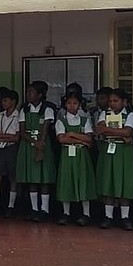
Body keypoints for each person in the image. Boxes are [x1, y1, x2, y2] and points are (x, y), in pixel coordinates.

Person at [95, 89, 133, 230]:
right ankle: (108, 216)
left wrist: (109, 131)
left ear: (124, 102)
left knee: (124, 182)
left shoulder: (130, 115)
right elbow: (99, 129)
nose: (112, 104)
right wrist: (121, 133)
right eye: (110, 101)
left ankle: (125, 217)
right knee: (109, 181)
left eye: (115, 101)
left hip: (124, 152)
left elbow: (128, 131)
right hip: (108, 150)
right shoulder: (104, 113)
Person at [55, 91, 97, 226]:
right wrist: (81, 140)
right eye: (69, 103)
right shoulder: (61, 121)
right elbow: (62, 139)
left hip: (82, 155)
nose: (72, 106)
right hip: (67, 154)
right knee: (66, 180)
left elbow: (89, 138)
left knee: (83, 180)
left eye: (75, 103)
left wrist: (72, 134)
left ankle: (86, 213)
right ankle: (66, 213)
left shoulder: (85, 120)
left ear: (79, 105)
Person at [17, 81, 57, 222]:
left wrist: (40, 145)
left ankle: (44, 210)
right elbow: (22, 131)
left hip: (43, 144)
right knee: (32, 179)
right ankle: (34, 209)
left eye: (31, 92)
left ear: (40, 95)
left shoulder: (48, 109)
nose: (28, 94)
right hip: (28, 145)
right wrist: (34, 143)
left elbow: (45, 130)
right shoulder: (24, 109)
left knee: (43, 179)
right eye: (27, 91)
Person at [0, 89, 20, 217]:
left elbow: (17, 138)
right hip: (1, 148)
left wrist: (2, 136)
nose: (3, 103)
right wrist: (9, 136)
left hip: (12, 148)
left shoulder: (19, 116)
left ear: (13, 101)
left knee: (13, 177)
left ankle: (11, 206)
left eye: (6, 100)